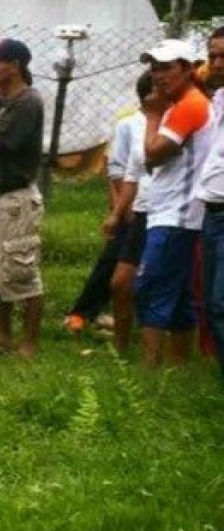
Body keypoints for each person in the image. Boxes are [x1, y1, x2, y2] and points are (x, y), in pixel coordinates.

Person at [134, 39, 212, 369]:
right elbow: (152, 161)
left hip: (176, 214)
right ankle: (178, 366)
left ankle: (149, 370)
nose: (157, 76)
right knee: (178, 293)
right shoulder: (179, 105)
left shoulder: (187, 106)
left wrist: (152, 116)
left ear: (189, 69)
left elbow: (151, 154)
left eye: (166, 68)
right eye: (153, 68)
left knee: (150, 287)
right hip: (173, 211)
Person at [64, 73, 153, 346]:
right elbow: (117, 169)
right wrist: (118, 208)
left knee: (145, 267)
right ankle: (82, 312)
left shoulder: (175, 121)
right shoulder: (129, 124)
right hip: (132, 206)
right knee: (113, 263)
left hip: (162, 206)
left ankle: (137, 320)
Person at [0, 38, 46, 358]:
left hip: (13, 199)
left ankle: (29, 342)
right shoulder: (3, 100)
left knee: (21, 270)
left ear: (14, 66)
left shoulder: (27, 102)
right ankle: (2, 337)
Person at [197, 28, 224, 379]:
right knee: (211, 305)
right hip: (212, 210)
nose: (217, 63)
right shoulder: (217, 100)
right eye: (213, 55)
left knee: (220, 303)